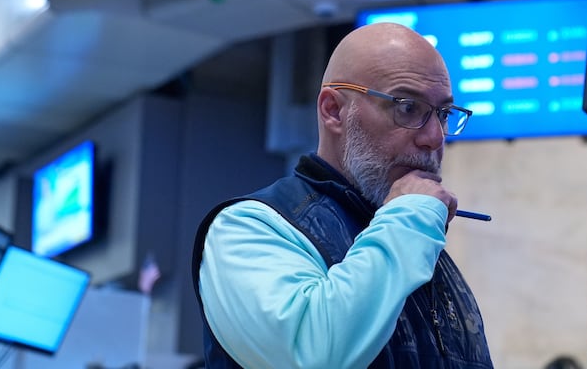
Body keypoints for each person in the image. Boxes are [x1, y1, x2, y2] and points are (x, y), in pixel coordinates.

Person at [191, 22, 493, 368]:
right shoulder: (248, 227)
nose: (435, 138)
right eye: (407, 107)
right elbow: (312, 356)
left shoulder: (411, 239)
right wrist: (409, 217)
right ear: (334, 110)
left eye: (442, 115)